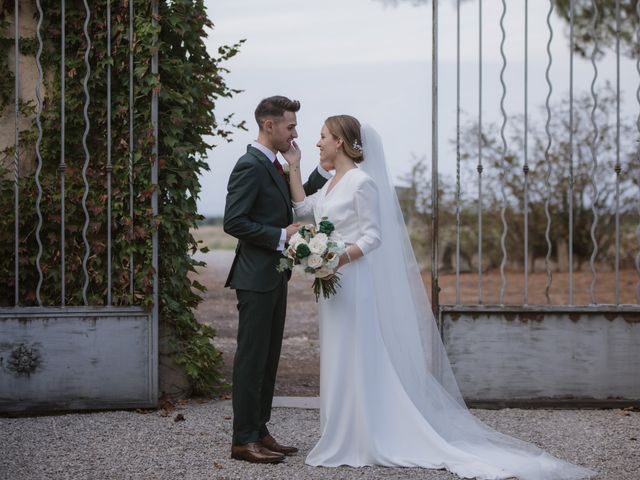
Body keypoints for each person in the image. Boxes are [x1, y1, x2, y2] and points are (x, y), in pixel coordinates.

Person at [283, 114, 595, 480]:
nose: (317, 142)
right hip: (333, 284)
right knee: (338, 352)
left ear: (340, 141)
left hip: (353, 280)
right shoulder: (333, 182)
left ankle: (367, 433)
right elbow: (303, 210)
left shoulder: (361, 183)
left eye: (322, 137)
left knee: (358, 350)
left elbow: (373, 237)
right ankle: (342, 430)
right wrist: (295, 166)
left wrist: (336, 258)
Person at [223, 96, 330, 464]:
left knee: (268, 359)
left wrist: (309, 168)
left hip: (274, 276)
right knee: (251, 359)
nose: (295, 133)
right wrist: (281, 236)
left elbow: (292, 201)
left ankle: (260, 430)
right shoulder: (249, 165)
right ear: (269, 125)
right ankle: (242, 440)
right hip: (254, 277)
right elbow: (233, 222)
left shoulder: (276, 164)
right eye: (290, 126)